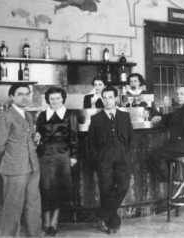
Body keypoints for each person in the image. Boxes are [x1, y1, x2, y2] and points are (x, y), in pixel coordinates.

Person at [0, 83, 42, 237]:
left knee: (33, 205)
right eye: (20, 94)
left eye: (27, 94)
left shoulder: (28, 115)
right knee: (13, 208)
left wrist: (36, 141)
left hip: (32, 166)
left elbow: (26, 141)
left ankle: (35, 235)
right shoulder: (4, 116)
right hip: (14, 169)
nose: (25, 97)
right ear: (12, 96)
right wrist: (11, 159)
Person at [87, 86, 134, 234]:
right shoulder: (96, 118)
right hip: (104, 156)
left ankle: (102, 214)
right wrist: (97, 157)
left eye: (110, 97)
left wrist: (128, 154)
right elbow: (91, 141)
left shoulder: (124, 116)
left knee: (123, 186)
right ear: (101, 99)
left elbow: (131, 137)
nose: (107, 101)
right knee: (106, 189)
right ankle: (112, 222)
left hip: (122, 154)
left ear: (116, 98)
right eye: (104, 98)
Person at [35, 87, 78, 236]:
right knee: (45, 188)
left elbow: (74, 136)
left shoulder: (70, 114)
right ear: (48, 100)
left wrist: (73, 156)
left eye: (58, 98)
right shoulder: (42, 115)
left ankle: (54, 222)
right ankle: (45, 222)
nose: (55, 101)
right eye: (52, 99)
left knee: (59, 188)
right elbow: (37, 134)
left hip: (62, 155)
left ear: (63, 99)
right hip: (44, 155)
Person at [151, 86, 184, 199]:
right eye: (177, 94)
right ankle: (176, 183)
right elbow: (170, 118)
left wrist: (180, 138)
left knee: (156, 155)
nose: (178, 96)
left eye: (182, 94)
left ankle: (176, 182)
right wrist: (159, 117)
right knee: (160, 154)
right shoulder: (182, 108)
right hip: (183, 145)